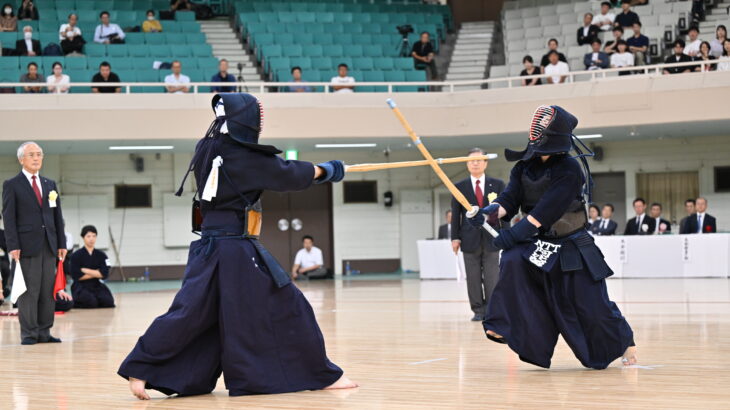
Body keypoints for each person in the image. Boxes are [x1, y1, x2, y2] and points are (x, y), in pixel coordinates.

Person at [118, 93, 356, 400]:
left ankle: (144, 368)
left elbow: (271, 168)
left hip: (209, 247)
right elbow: (288, 175)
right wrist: (329, 170)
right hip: (235, 250)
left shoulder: (207, 147)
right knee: (290, 305)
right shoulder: (245, 156)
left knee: (193, 313)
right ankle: (321, 375)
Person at [469, 105, 637, 369]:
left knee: (593, 305)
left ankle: (626, 343)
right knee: (513, 260)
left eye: (543, 125)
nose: (536, 129)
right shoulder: (524, 167)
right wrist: (488, 212)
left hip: (571, 244)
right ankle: (503, 322)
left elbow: (545, 212)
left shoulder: (570, 169)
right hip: (538, 243)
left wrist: (512, 234)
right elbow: (509, 200)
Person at [2, 142, 67, 345]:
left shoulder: (49, 184)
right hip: (25, 247)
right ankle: (29, 333)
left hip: (49, 245)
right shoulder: (12, 185)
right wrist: (12, 245)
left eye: (39, 154)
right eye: (31, 155)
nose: (36, 158)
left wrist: (61, 243)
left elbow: (57, 216)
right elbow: (9, 217)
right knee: (29, 292)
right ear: (22, 159)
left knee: (48, 291)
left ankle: (44, 332)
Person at [451, 148, 506, 322]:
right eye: (471, 160)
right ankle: (478, 311)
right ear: (467, 164)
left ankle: (491, 310)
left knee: (492, 277)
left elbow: (506, 210)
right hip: (469, 239)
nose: (475, 163)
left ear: (486, 163)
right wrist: (455, 237)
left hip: (493, 238)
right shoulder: (459, 187)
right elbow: (455, 214)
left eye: (479, 160)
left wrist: (506, 235)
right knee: (473, 278)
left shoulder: (497, 185)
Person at [69, 225, 115, 308]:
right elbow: (76, 276)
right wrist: (97, 273)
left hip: (96, 284)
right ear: (83, 237)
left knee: (108, 302)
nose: (91, 239)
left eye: (94, 236)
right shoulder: (75, 255)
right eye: (88, 236)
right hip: (80, 285)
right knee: (91, 302)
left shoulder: (102, 255)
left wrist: (85, 270)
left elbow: (104, 274)